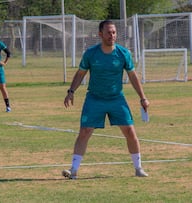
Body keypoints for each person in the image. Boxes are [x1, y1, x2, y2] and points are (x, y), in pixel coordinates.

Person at [62, 20, 150, 179]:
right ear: (100, 34)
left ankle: (138, 168)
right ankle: (73, 171)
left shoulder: (124, 53)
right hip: (95, 99)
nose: (112, 35)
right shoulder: (91, 53)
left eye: (114, 32)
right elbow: (81, 73)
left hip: (117, 98)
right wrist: (71, 91)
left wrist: (143, 97)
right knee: (85, 132)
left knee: (130, 131)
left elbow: (132, 76)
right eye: (109, 32)